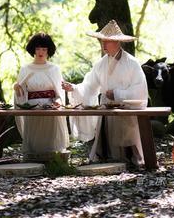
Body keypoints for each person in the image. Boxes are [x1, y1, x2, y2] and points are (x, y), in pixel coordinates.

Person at [61, 20, 148, 166]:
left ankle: (130, 161)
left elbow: (140, 89)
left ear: (118, 43)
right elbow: (90, 86)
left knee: (127, 142)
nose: (104, 44)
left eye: (108, 41)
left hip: (125, 110)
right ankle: (107, 158)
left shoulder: (131, 63)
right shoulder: (101, 63)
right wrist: (74, 88)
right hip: (107, 109)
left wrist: (118, 94)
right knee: (106, 144)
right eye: (103, 41)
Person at [14, 32, 69, 156]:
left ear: (48, 51)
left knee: (50, 139)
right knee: (34, 138)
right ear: (33, 49)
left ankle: (54, 161)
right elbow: (20, 93)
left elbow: (59, 92)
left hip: (50, 107)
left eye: (44, 49)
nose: (41, 52)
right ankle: (33, 159)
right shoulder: (25, 69)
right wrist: (16, 88)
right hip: (31, 108)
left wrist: (58, 102)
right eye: (38, 48)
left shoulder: (54, 69)